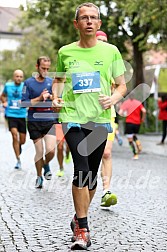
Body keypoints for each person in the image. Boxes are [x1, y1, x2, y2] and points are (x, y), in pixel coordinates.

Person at [52, 3, 127, 250]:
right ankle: (83, 229)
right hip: (72, 116)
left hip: (99, 119)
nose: (89, 22)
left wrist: (113, 99)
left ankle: (77, 217)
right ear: (76, 24)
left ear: (99, 24)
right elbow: (59, 81)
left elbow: (121, 86)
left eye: (93, 18)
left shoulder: (111, 52)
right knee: (81, 165)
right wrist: (56, 97)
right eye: (84, 18)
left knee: (91, 176)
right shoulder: (65, 52)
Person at [21, 56, 57, 189]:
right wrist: (40, 98)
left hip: (49, 120)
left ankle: (46, 164)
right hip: (34, 121)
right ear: (37, 67)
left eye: (48, 69)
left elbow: (57, 99)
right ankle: (39, 176)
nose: (45, 71)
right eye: (43, 68)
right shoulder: (28, 83)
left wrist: (53, 98)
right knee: (39, 151)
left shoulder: (51, 82)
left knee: (51, 151)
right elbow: (24, 103)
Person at [96, 30, 117, 207]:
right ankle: (87, 186)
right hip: (86, 116)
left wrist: (113, 97)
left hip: (108, 115)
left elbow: (121, 87)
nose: (102, 43)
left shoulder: (112, 63)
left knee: (107, 152)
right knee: (88, 157)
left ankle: (106, 191)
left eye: (105, 40)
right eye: (99, 40)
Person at [1, 70, 27, 169]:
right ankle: (18, 159)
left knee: (23, 140)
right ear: (13, 77)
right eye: (17, 76)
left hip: (22, 115)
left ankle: (19, 146)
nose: (19, 78)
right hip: (11, 115)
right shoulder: (8, 86)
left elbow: (29, 98)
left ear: (22, 78)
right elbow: (2, 96)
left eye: (20, 76)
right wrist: (4, 102)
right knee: (14, 135)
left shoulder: (25, 86)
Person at [119, 93, 146, 160]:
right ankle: (138, 143)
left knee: (130, 139)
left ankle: (135, 154)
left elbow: (120, 112)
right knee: (134, 135)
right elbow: (144, 111)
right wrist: (143, 119)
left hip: (129, 123)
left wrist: (123, 111)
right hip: (137, 123)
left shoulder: (126, 103)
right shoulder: (138, 102)